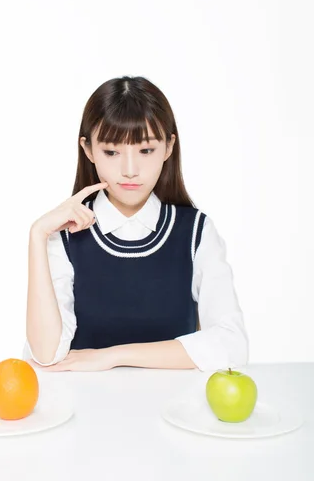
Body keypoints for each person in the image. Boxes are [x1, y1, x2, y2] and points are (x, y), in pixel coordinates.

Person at [23, 76, 249, 372]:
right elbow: (46, 354)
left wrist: (113, 356)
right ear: (88, 150)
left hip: (173, 412)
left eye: (145, 150)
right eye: (112, 152)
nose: (130, 170)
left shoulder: (195, 233)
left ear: (168, 147)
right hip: (85, 410)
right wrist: (38, 234)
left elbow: (232, 346)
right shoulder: (64, 236)